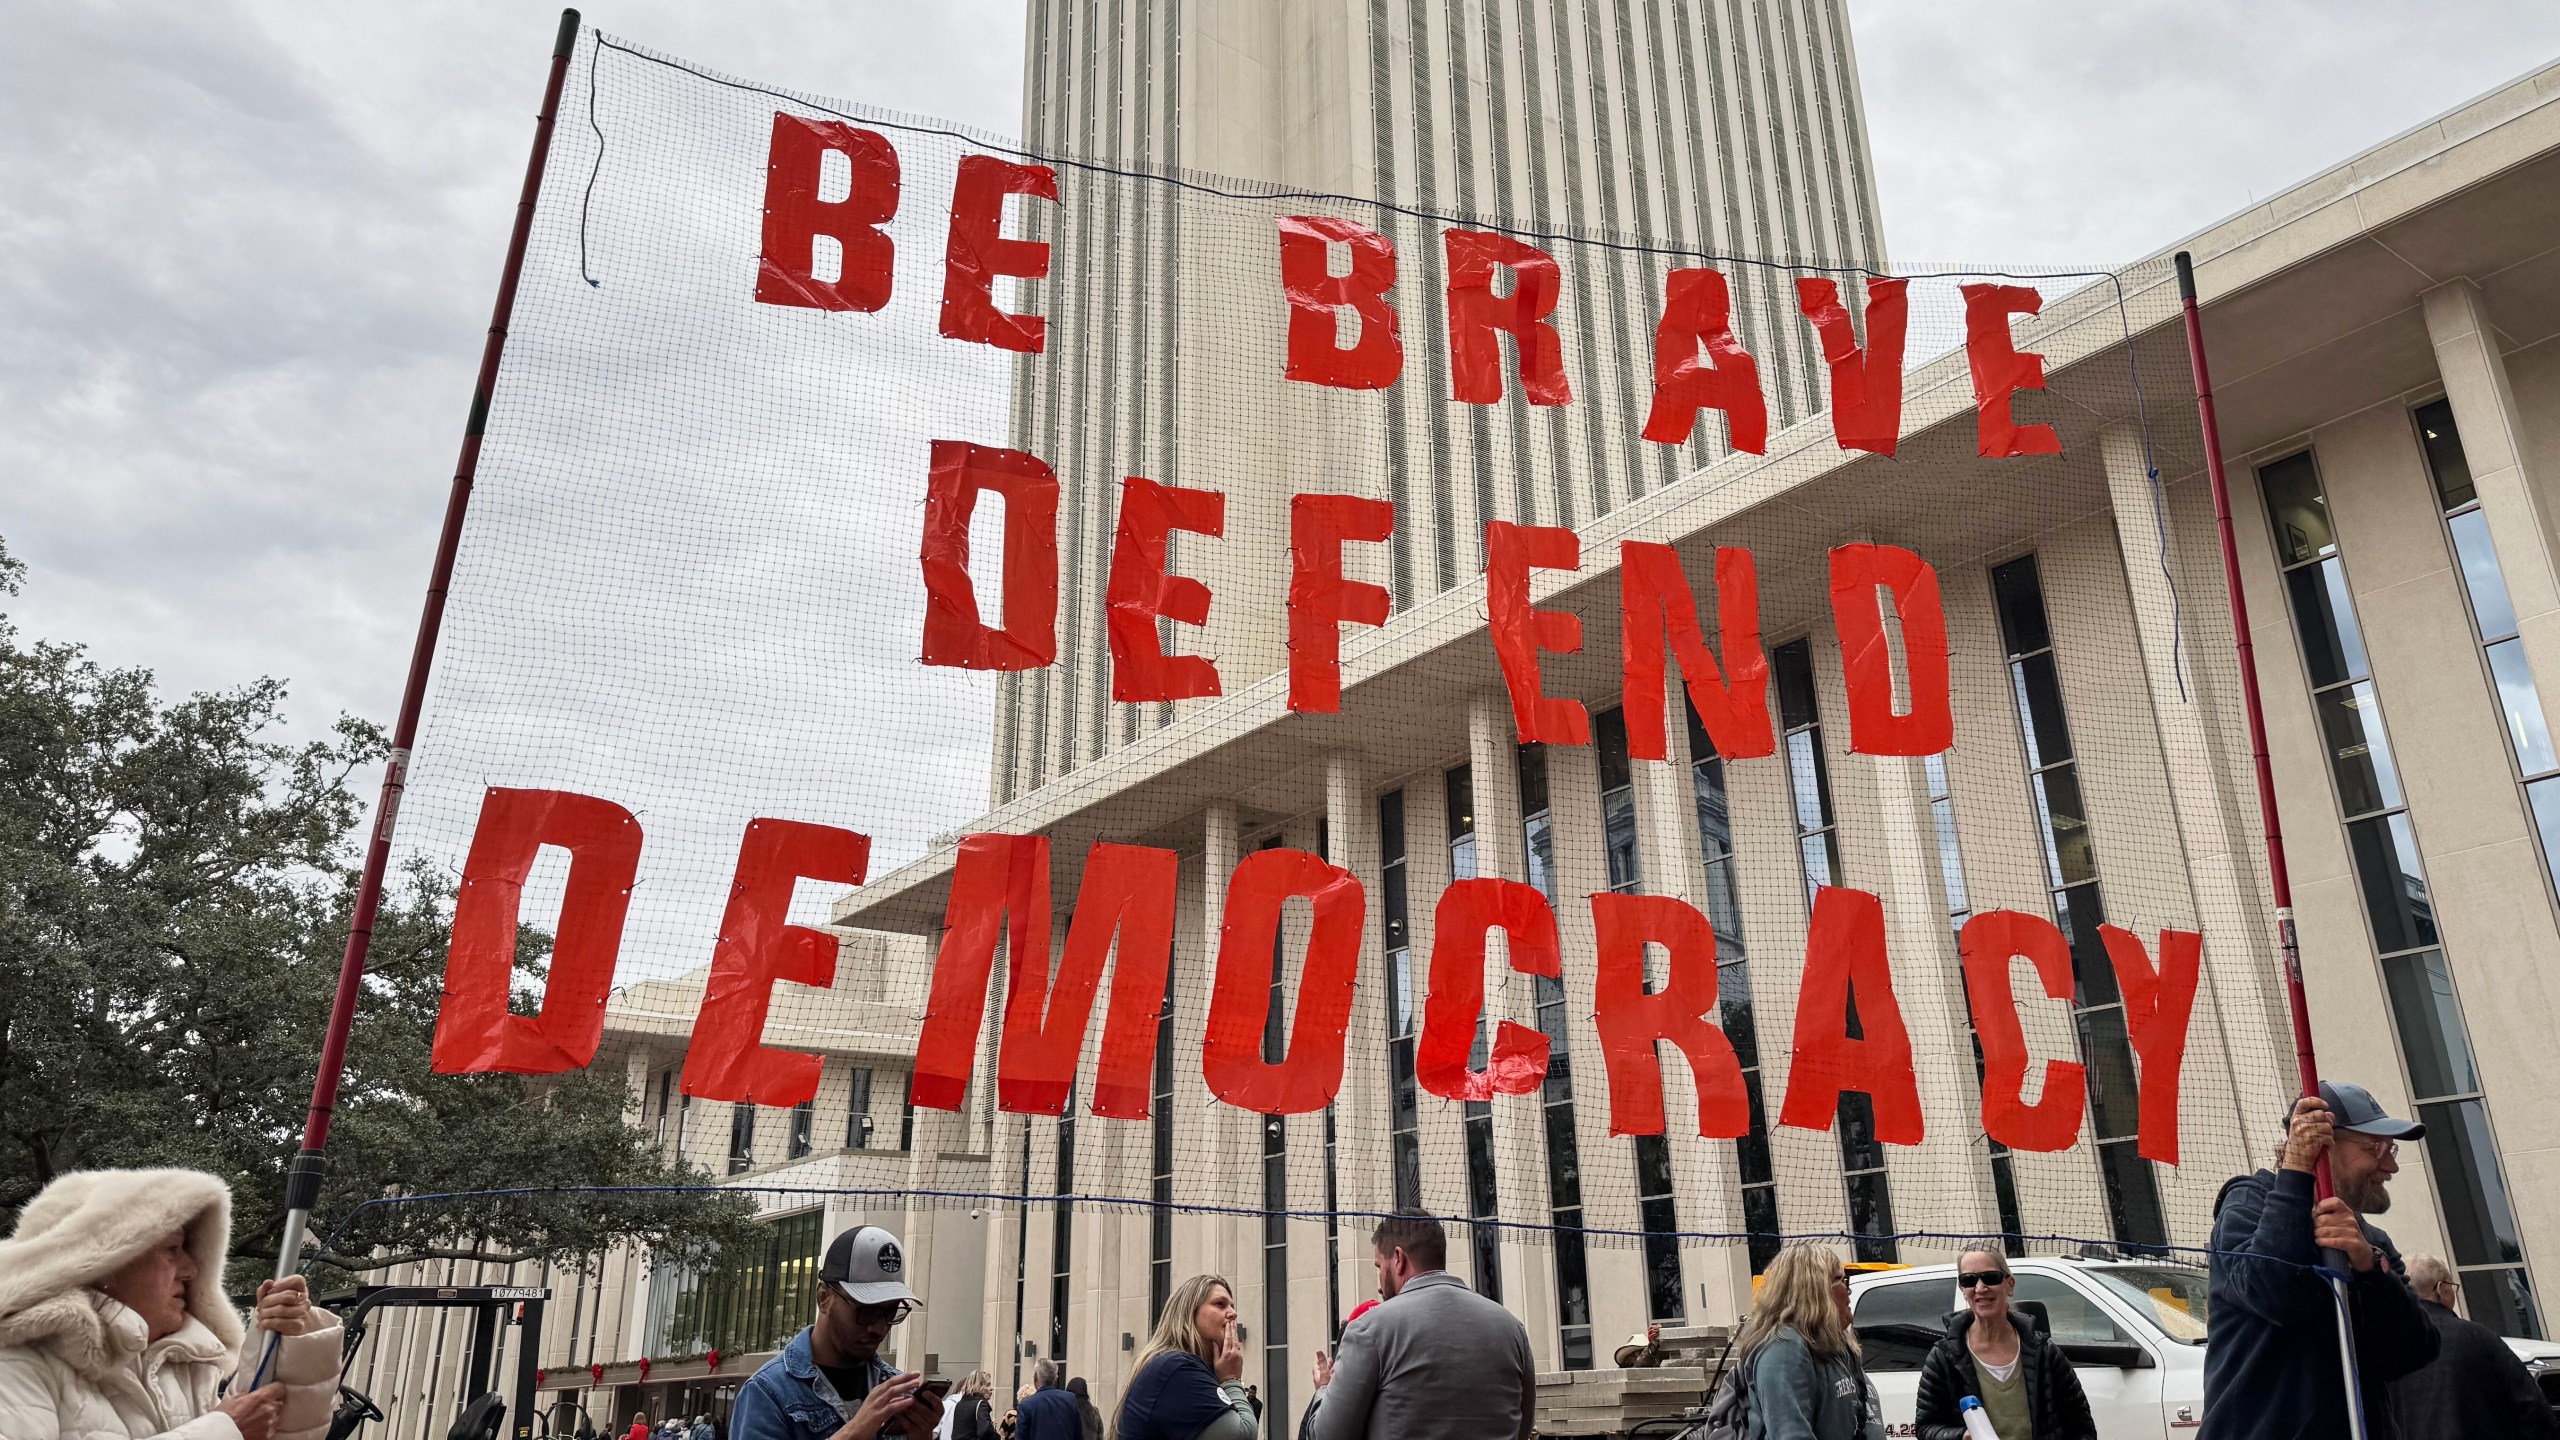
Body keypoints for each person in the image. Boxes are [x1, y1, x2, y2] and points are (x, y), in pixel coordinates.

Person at [0, 1166, 345, 1440]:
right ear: (105, 1262)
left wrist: (285, 1339)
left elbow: (279, 1431)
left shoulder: (188, 1360)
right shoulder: (17, 1358)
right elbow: (234, 1425)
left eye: (190, 1250)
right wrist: (222, 1432)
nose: (191, 1268)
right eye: (171, 1249)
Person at [2204, 1086, 2440, 1439]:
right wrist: (2297, 1170)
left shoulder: (2369, 1241)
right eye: (2375, 1148)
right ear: (2322, 1146)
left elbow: (2413, 1353)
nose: (2390, 1165)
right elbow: (2275, 1295)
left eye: (2391, 1148)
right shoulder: (2248, 1205)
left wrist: (2369, 1269)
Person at [1308, 1211, 1536, 1440]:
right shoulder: (1513, 1330)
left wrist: (1325, 1390)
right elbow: (1523, 1428)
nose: (1379, 1286)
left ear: (1398, 1258)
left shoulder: (1368, 1330)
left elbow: (1327, 1435)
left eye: (1379, 1267)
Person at [730, 1224, 945, 1440]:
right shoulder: (768, 1392)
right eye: (867, 1311)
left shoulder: (897, 1390)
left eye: (891, 1312)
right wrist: (853, 1432)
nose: (879, 1328)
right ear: (824, 1298)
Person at [1911, 1243, 2096, 1440]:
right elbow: (1925, 1428)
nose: (1980, 1288)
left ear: (2010, 1284)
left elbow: (2082, 1428)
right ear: (1962, 1288)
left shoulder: (2045, 1353)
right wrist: (1961, 1436)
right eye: (1969, 1280)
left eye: (1990, 1277)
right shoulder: (1943, 1357)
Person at [2388, 1255, 2559, 1439]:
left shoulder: (2386, 1347)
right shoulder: (2480, 1338)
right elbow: (2531, 1409)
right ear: (2441, 1289)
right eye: (2452, 1287)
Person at [1730, 1244, 1885, 1440]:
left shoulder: (1836, 1346)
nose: (1849, 1289)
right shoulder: (1784, 1349)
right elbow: (1790, 1434)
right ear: (1813, 1288)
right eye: (1840, 1279)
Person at [1110, 1273, 1257, 1440]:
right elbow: (1242, 1434)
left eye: (1232, 1306)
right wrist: (1232, 1379)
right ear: (1189, 1313)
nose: (1233, 1313)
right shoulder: (1177, 1368)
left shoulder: (1180, 1366)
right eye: (1220, 1304)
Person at [1012, 1359, 1080, 1440]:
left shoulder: (1026, 1405)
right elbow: (1078, 1434)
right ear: (1056, 1378)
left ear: (1035, 1377)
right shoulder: (1070, 1399)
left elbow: (1021, 1437)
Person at [950, 1371, 999, 1440]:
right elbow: (984, 1431)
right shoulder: (981, 1404)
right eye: (988, 1385)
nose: (991, 1388)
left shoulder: (960, 1403)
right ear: (980, 1387)